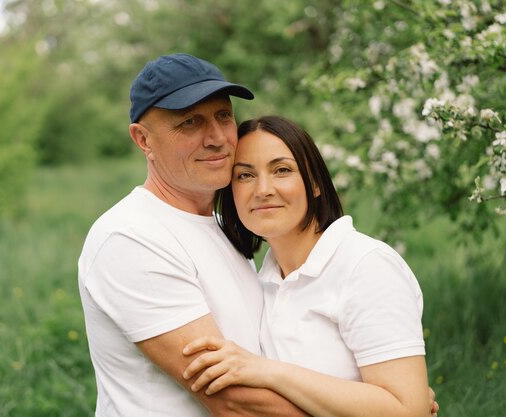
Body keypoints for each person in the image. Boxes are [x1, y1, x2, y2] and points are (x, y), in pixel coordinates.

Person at [78, 53, 310, 416]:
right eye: (190, 123)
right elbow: (233, 399)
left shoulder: (225, 226)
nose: (218, 138)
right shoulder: (131, 238)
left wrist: (369, 396)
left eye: (223, 115)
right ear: (143, 140)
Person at [182, 115, 437, 417]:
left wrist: (269, 372)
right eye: (245, 175)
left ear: (315, 183)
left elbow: (406, 411)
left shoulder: (364, 266)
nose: (263, 189)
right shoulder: (261, 279)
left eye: (282, 170)